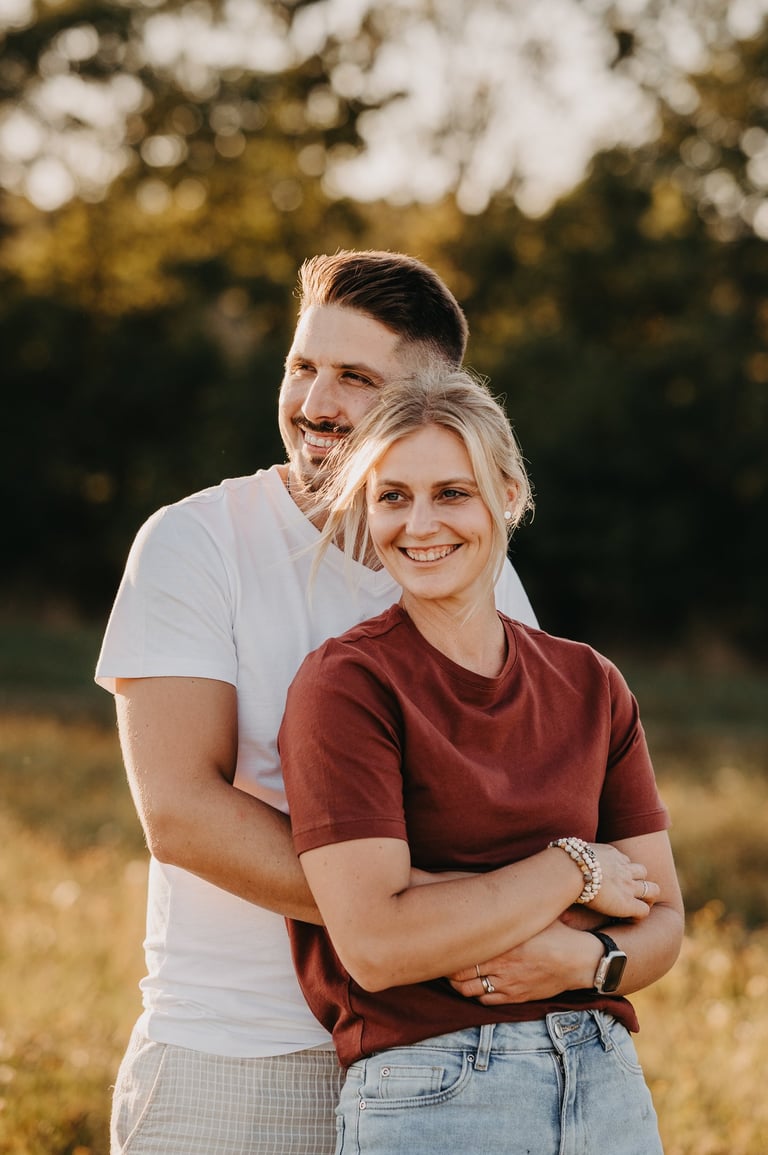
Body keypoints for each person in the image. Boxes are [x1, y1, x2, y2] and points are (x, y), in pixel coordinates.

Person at [94, 251, 539, 1155]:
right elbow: (181, 811)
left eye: (356, 378)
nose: (315, 402)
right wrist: (424, 915)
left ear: (431, 403)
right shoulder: (196, 541)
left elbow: (525, 796)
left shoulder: (476, 566)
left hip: (442, 1057)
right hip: (237, 1060)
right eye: (303, 366)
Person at [279, 368, 685, 1155]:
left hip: (605, 1079)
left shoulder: (590, 682)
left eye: (451, 493)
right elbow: (377, 942)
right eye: (393, 496)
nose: (419, 524)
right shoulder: (347, 685)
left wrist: (583, 961)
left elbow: (664, 919)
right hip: (435, 1089)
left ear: (507, 494)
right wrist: (575, 869)